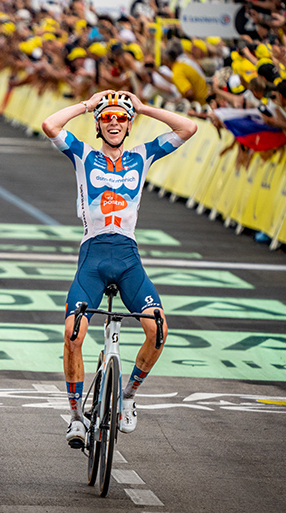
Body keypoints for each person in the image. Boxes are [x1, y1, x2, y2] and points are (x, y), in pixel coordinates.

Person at [41, 90, 197, 448]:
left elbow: (188, 127)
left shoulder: (142, 155)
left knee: (158, 329)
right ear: (98, 124)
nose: (114, 122)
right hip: (93, 257)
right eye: (108, 118)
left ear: (129, 126)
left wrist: (142, 108)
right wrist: (87, 105)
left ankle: (128, 394)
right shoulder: (83, 155)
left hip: (128, 257)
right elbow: (50, 125)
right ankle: (77, 415)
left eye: (122, 118)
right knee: (73, 334)